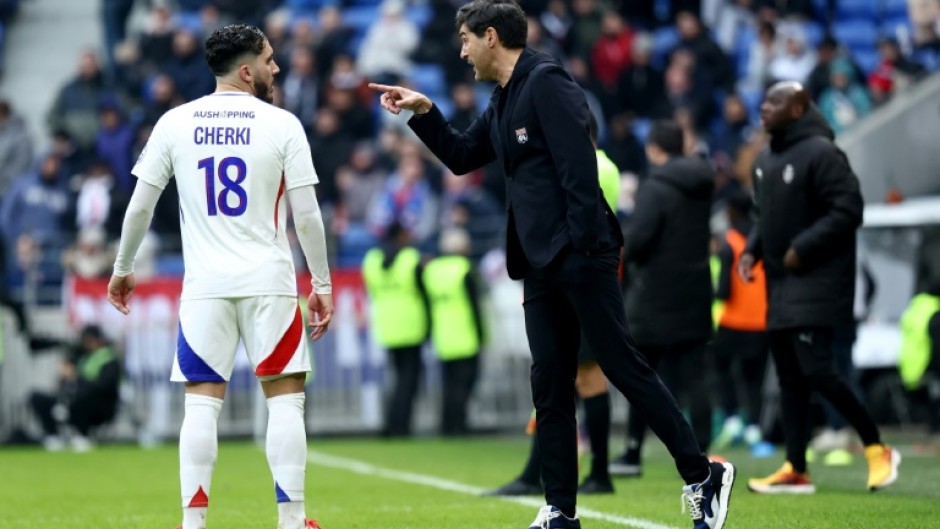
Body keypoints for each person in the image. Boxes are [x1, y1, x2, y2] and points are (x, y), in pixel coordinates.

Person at [370, 2, 735, 528]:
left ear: (491, 37)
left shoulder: (547, 81)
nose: (462, 50)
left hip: (577, 255)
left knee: (622, 367)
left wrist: (583, 249)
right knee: (550, 386)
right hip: (539, 262)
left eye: (466, 39)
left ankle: (702, 474)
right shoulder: (503, 98)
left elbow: (578, 170)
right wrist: (422, 112)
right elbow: (461, 155)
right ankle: (561, 509)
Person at [106, 24, 333, 529]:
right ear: (247, 70)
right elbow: (308, 216)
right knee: (285, 400)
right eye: (270, 60)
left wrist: (123, 268)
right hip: (268, 281)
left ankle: (193, 524)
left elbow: (139, 206)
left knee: (201, 405)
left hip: (205, 287)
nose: (277, 67)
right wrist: (322, 283)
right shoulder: (282, 124)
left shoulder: (174, 122)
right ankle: (292, 521)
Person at [741, 81, 900, 494]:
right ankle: (796, 468)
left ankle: (878, 447)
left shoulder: (823, 153)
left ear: (797, 109)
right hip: (779, 285)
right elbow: (764, 216)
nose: (764, 106)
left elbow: (850, 208)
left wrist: (802, 248)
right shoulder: (764, 160)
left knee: (818, 371)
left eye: (775, 100)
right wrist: (751, 251)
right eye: (765, 98)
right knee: (790, 377)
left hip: (817, 282)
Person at [484, 113, 620, 497]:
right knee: (560, 377)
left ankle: (597, 472)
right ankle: (551, 471)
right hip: (571, 279)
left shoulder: (594, 166)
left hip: (577, 279)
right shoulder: (600, 165)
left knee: (583, 376)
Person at [610, 120, 714, 478]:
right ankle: (704, 453)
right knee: (695, 375)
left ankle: (633, 452)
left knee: (642, 374)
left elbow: (638, 242)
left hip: (655, 294)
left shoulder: (655, 187)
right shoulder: (703, 182)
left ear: (654, 148)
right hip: (696, 288)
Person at [710, 191, 770, 453]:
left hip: (732, 320)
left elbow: (724, 290)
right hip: (761, 321)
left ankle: (732, 419)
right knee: (754, 379)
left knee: (722, 370)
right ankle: (754, 428)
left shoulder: (730, 243)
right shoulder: (763, 242)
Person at [362, 221, 429, 437]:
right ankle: (400, 426)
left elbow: (370, 289)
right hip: (411, 326)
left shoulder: (372, 260)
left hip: (387, 327)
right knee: (408, 382)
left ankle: (392, 423)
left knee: (398, 380)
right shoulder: (411, 258)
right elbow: (423, 291)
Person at [422, 228, 484, 436]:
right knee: (465, 383)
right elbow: (475, 306)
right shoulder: (465, 269)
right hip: (465, 334)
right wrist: (482, 334)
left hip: (442, 334)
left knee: (449, 384)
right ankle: (459, 424)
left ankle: (447, 423)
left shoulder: (432, 270)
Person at [29, 324, 121, 452]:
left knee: (83, 396)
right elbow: (66, 381)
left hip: (98, 405)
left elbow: (103, 386)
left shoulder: (109, 359)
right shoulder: (80, 356)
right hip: (72, 399)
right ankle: (53, 436)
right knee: (37, 398)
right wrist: (64, 378)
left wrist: (76, 379)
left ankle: (83, 435)